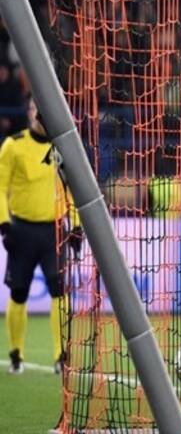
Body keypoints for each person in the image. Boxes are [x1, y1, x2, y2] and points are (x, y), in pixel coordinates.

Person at [0, 98, 80, 373]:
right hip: (22, 229)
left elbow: (73, 189)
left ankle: (61, 355)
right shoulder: (14, 146)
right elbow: (0, 186)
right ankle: (16, 354)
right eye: (35, 109)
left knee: (60, 290)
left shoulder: (63, 147)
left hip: (53, 230)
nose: (40, 115)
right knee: (19, 291)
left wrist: (77, 226)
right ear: (29, 113)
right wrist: (3, 224)